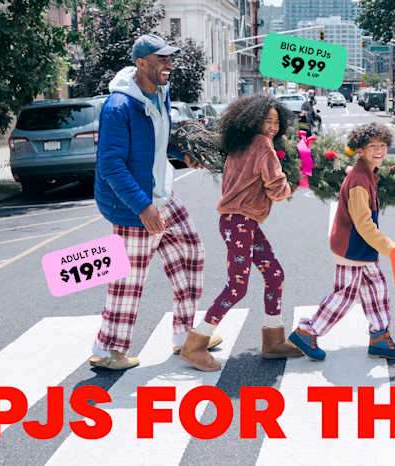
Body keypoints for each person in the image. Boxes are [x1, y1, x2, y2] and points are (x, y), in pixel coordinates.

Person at [89, 34, 221, 370]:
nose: (169, 65)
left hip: (162, 195)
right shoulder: (119, 107)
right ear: (141, 63)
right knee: (128, 279)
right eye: (162, 59)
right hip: (134, 204)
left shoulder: (159, 93)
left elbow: (160, 139)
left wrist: (183, 154)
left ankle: (184, 335)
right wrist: (142, 208)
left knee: (191, 253)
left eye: (170, 59)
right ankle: (108, 350)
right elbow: (110, 165)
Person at [181, 94, 302, 372]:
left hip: (239, 221)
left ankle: (273, 340)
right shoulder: (262, 145)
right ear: (253, 121)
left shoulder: (240, 143)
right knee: (237, 286)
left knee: (274, 274)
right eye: (267, 121)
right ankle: (195, 343)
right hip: (240, 222)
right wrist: (289, 187)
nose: (272, 127)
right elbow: (274, 184)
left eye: (275, 122)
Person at [288, 123, 395, 361]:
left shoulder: (367, 174)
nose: (379, 150)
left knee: (377, 289)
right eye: (372, 146)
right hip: (352, 247)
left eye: (383, 145)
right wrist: (391, 248)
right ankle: (307, 331)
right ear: (360, 150)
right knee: (344, 295)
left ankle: (379, 336)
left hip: (360, 247)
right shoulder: (359, 180)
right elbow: (364, 224)